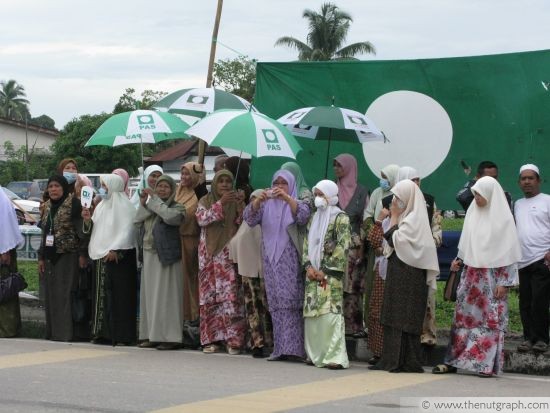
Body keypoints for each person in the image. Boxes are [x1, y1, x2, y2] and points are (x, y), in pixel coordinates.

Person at [434, 176, 521, 377]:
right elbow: (467, 244)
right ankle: (454, 360)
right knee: (463, 319)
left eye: (480, 195)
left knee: (489, 321)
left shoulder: (504, 220)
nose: (477, 198)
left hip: (493, 280)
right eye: (475, 194)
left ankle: (485, 365)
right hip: (471, 278)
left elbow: (509, 254)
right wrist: (459, 261)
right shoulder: (473, 213)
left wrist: (505, 282)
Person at [369, 179, 439, 373]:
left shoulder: (414, 220)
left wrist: (393, 217)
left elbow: (393, 239)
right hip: (398, 272)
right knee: (393, 315)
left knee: (406, 318)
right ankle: (391, 359)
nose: (394, 202)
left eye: (398, 198)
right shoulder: (405, 218)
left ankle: (406, 361)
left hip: (410, 277)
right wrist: (395, 217)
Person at [244, 169, 310, 361]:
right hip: (270, 258)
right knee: (275, 303)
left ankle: (295, 350)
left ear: (291, 185)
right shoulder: (266, 204)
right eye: (276, 183)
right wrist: (258, 201)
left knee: (291, 301)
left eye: (283, 183)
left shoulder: (297, 202)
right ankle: (280, 349)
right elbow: (249, 219)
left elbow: (303, 217)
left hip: (289, 258)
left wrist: (287, 199)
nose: (279, 186)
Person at [82, 174, 137, 346]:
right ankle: (101, 333)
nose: (102, 189)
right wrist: (87, 219)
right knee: (101, 297)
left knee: (119, 298)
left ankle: (121, 335)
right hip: (101, 258)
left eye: (105, 186)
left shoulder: (126, 207)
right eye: (102, 186)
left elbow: (129, 232)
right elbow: (93, 230)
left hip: (119, 261)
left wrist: (116, 250)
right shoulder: (101, 207)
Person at [196, 170, 246, 355]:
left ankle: (233, 341)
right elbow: (202, 219)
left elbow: (243, 223)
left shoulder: (236, 201)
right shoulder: (205, 200)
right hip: (208, 257)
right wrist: (220, 204)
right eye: (221, 181)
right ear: (214, 183)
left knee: (230, 299)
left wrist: (240, 206)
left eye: (228, 181)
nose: (224, 184)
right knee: (209, 299)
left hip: (228, 255)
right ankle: (211, 340)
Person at [303, 180, 351, 369]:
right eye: (316, 194)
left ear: (330, 195)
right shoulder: (314, 218)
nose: (317, 198)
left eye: (321, 195)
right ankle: (315, 354)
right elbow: (307, 244)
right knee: (313, 315)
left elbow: (343, 246)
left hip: (328, 276)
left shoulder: (341, 218)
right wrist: (309, 267)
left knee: (329, 314)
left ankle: (334, 356)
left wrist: (325, 270)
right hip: (312, 275)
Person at [135, 175, 185, 350]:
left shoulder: (177, 207)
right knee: (150, 297)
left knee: (167, 297)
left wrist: (154, 200)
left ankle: (171, 337)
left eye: (166, 186)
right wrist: (143, 203)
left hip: (167, 257)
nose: (162, 189)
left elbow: (170, 217)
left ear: (172, 190)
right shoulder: (152, 205)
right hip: (149, 255)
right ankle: (152, 335)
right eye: (159, 186)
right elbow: (136, 221)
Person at [38, 175, 90, 341]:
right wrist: (41, 257)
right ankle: (53, 332)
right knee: (51, 295)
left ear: (64, 188)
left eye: (57, 186)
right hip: (50, 257)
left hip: (68, 256)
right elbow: (44, 232)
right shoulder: (46, 206)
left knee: (66, 295)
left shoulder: (74, 204)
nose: (53, 189)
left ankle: (66, 334)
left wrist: (83, 254)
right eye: (50, 186)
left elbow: (82, 232)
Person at [397, 166, 443, 346]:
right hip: (402, 258)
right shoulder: (396, 201)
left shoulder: (429, 201)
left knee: (426, 297)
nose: (416, 183)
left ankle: (427, 335)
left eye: (418, 180)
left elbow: (437, 229)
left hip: (424, 256)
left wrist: (426, 243)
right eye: (412, 180)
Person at [228, 189, 273, 358]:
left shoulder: (269, 221)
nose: (257, 203)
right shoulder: (248, 221)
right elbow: (236, 244)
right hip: (249, 270)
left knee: (267, 306)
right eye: (254, 199)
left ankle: (269, 341)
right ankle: (257, 343)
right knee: (253, 307)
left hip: (266, 271)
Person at [514, 164, 550, 354]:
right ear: (519, 182)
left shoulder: (547, 201)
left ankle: (542, 339)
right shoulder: (518, 204)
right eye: (523, 179)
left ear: (539, 181)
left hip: (542, 260)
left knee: (539, 302)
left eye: (531, 178)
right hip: (522, 261)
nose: (527, 181)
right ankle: (528, 338)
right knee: (525, 303)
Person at [333, 153, 369, 338]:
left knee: (354, 287)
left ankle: (354, 326)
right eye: (335, 165)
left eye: (339, 165)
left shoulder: (362, 192)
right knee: (336, 285)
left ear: (349, 167)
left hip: (355, 248)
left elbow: (365, 220)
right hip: (333, 247)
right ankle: (336, 326)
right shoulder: (331, 189)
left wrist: (361, 246)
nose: (336, 169)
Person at [362, 164, 399, 332]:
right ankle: (370, 326)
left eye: (386, 177)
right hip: (375, 247)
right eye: (381, 177)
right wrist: (375, 240)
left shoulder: (400, 195)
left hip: (393, 248)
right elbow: (368, 216)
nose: (382, 181)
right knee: (372, 286)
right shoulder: (377, 193)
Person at [175, 162, 202, 323]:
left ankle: (192, 314)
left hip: (191, 241)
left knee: (190, 279)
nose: (184, 177)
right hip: (176, 240)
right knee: (178, 280)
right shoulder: (177, 191)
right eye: (182, 173)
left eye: (188, 174)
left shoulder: (199, 194)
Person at [0, 184, 25, 337]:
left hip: (4, 249)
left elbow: (4, 223)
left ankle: (7, 329)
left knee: (5, 289)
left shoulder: (1, 198)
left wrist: (4, 250)